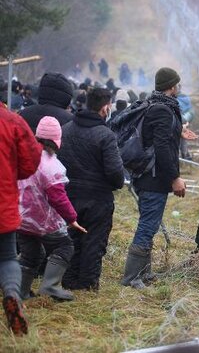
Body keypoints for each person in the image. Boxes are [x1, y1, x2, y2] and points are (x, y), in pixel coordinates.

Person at [120, 67, 186, 289]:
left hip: (148, 176)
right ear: (172, 86)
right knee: (148, 225)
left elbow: (162, 138)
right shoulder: (162, 110)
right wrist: (175, 178)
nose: (179, 87)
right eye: (177, 83)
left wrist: (179, 131)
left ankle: (144, 273)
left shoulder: (156, 106)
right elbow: (162, 147)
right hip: (153, 177)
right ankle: (131, 278)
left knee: (151, 223)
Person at [58, 89, 125, 290]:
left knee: (72, 239)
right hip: (98, 199)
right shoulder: (106, 135)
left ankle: (68, 280)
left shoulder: (65, 129)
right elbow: (115, 172)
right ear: (105, 108)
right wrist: (116, 184)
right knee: (94, 242)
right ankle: (87, 284)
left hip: (69, 196)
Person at [17, 117, 87, 302]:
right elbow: (58, 198)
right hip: (42, 221)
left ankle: (21, 291)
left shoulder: (23, 155)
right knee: (64, 246)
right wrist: (72, 218)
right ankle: (50, 286)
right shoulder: (51, 166)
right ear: (57, 140)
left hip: (21, 218)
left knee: (31, 253)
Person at [0, 105, 41, 335]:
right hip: (2, 203)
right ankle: (13, 295)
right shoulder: (11, 120)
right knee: (6, 258)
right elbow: (30, 161)